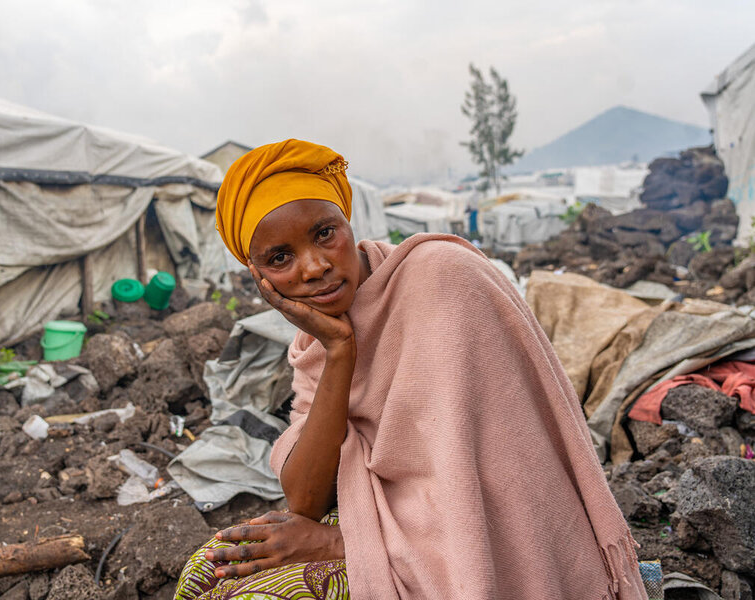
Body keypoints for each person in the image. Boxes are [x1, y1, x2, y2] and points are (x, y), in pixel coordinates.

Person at [174, 139, 646, 600]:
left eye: (324, 234)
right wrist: (339, 349)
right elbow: (305, 500)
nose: (314, 267)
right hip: (392, 519)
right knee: (205, 574)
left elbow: (505, 482)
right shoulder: (313, 338)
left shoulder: (443, 276)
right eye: (280, 258)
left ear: (348, 222)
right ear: (259, 278)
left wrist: (341, 544)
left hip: (486, 537)